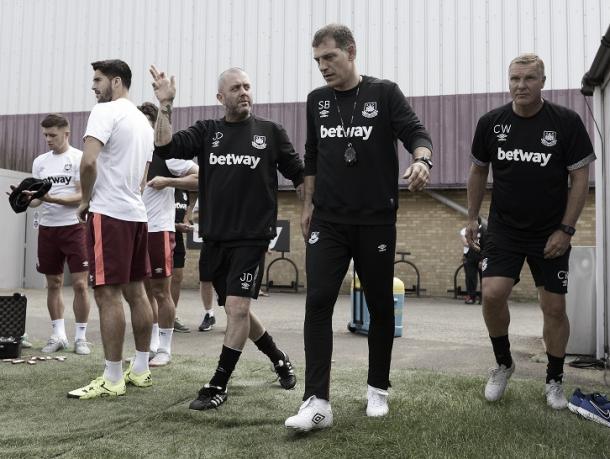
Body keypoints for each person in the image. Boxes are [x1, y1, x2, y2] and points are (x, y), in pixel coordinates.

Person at [285, 24, 433, 432]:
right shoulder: (317, 101)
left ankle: (377, 388)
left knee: (381, 305)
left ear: (351, 52)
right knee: (317, 302)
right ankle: (317, 401)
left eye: (329, 57)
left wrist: (422, 160)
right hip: (328, 220)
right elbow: (312, 154)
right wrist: (307, 204)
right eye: (317, 60)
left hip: (375, 220)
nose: (323, 67)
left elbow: (416, 134)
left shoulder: (383, 93)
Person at [150, 64, 303, 411]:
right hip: (214, 238)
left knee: (237, 308)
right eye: (235, 88)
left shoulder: (270, 132)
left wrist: (311, 212)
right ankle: (279, 358)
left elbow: (299, 175)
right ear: (221, 97)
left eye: (247, 86)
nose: (244, 92)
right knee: (236, 309)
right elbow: (165, 147)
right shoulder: (207, 131)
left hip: (252, 237)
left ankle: (218, 383)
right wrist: (165, 105)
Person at [466, 53, 595, 410]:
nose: (521, 86)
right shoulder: (491, 123)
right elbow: (478, 171)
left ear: (542, 81)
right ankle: (503, 363)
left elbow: (580, 176)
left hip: (550, 232)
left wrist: (566, 229)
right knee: (492, 294)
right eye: (515, 79)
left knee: (553, 307)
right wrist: (472, 217)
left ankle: (554, 380)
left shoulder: (566, 122)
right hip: (504, 228)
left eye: (529, 79)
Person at [68, 60, 155, 399]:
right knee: (137, 292)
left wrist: (86, 200)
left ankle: (114, 377)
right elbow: (144, 180)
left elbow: (88, 162)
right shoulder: (143, 123)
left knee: (107, 295)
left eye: (98, 80)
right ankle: (142, 370)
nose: (94, 86)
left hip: (109, 214)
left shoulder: (104, 111)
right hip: (136, 214)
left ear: (116, 82)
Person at [19, 114, 91, 355]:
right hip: (48, 229)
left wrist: (52, 198)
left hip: (74, 227)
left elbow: (82, 197)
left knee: (81, 285)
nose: (48, 139)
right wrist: (26, 199)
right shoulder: (40, 162)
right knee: (53, 284)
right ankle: (58, 335)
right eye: (45, 135)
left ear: (66, 133)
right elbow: (37, 202)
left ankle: (81, 337)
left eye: (53, 135)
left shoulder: (79, 158)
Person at [138, 102, 198, 366]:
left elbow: (200, 177)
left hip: (159, 230)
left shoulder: (166, 154)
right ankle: (150, 345)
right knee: (142, 292)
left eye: (142, 122)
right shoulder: (130, 152)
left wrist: (168, 182)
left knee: (161, 291)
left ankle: (165, 348)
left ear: (153, 124)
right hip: (134, 229)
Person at [459, 219, 485, 304]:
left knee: (483, 278)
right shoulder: (469, 231)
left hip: (481, 257)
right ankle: (471, 297)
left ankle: (482, 298)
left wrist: (482, 259)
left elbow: (485, 246)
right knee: (470, 277)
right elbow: (467, 243)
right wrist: (466, 256)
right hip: (471, 257)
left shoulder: (484, 230)